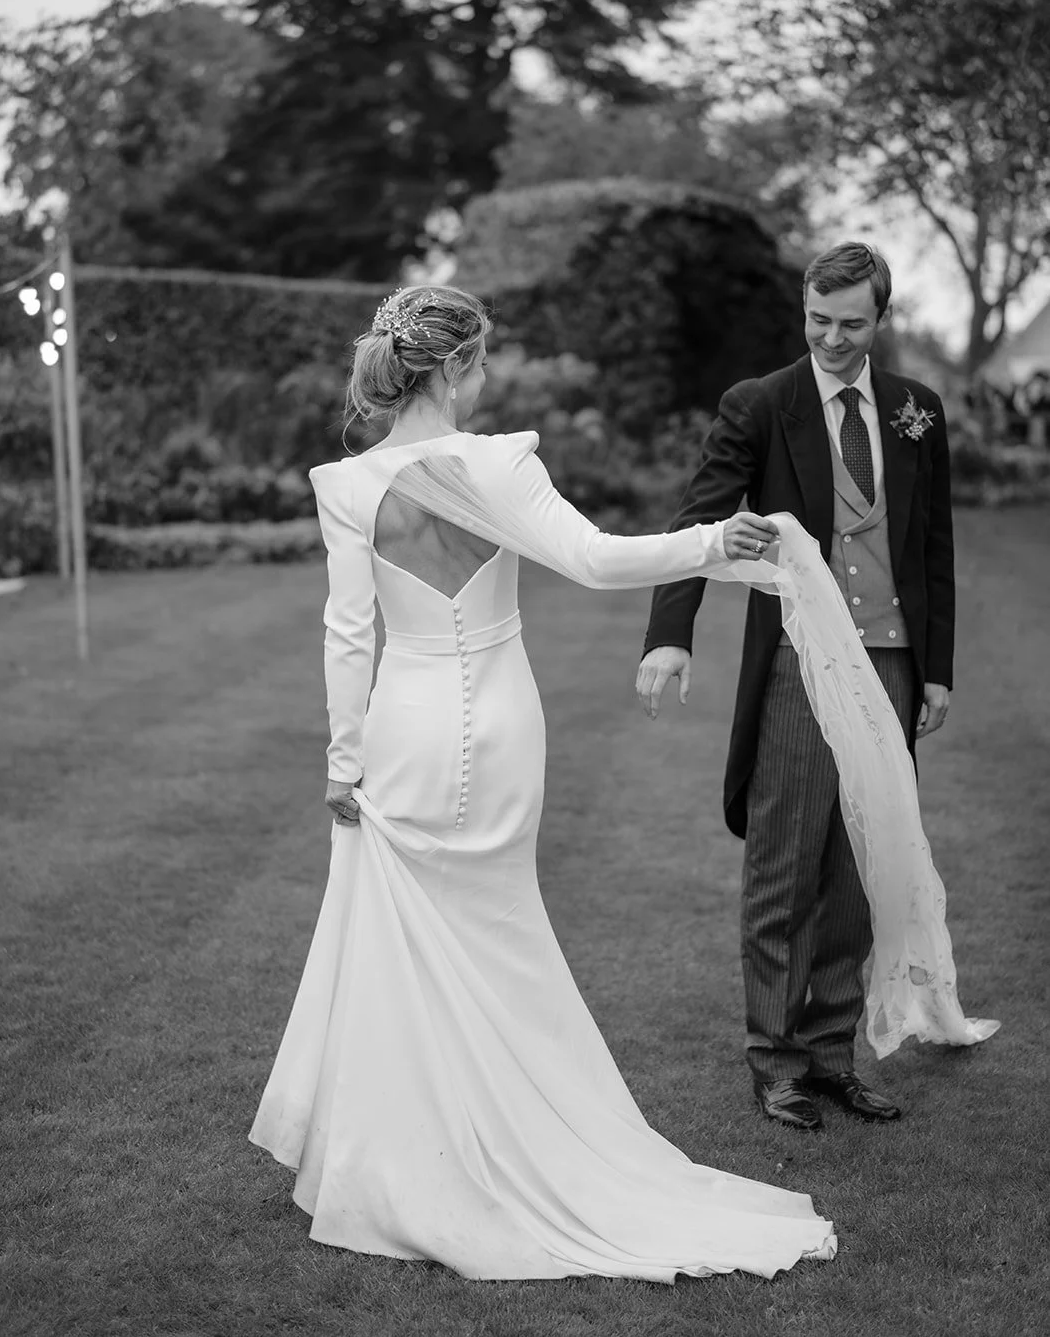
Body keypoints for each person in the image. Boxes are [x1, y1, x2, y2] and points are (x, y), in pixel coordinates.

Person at [250, 285, 836, 1281]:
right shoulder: (497, 464)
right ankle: (504, 1147)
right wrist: (709, 543)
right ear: (449, 368)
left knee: (408, 946)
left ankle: (418, 1159)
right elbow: (595, 560)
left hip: (405, 728)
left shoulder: (348, 486)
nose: (484, 383)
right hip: (506, 728)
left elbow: (350, 635)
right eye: (478, 365)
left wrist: (341, 761)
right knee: (503, 935)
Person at [637, 242, 955, 1131]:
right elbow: (698, 523)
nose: (831, 338)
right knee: (784, 863)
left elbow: (932, 546)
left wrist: (935, 668)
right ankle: (774, 1062)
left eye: (851, 323)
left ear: (880, 318)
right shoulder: (760, 405)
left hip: (889, 663)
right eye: (817, 319)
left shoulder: (914, 412)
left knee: (859, 865)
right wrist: (671, 637)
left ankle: (828, 1056)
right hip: (798, 661)